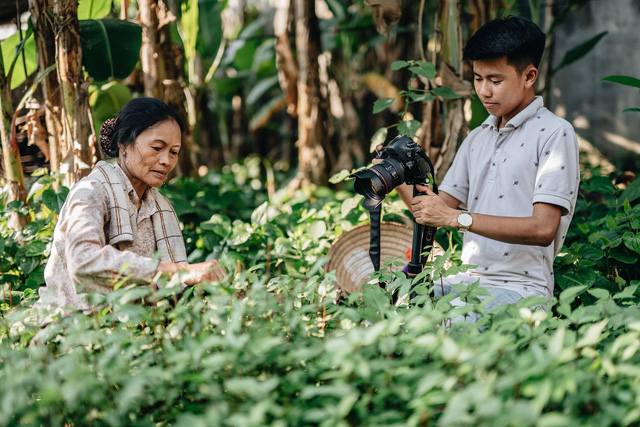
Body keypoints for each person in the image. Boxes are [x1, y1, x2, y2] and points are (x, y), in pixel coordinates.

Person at [385, 16, 580, 319]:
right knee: (385, 305)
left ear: (529, 76)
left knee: (446, 328)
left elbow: (543, 229)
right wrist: (395, 177)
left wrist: (457, 218)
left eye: (495, 80)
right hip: (464, 282)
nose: (484, 91)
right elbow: (436, 213)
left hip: (521, 290)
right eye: (478, 79)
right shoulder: (477, 138)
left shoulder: (555, 133)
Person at [32, 97, 226, 323]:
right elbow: (83, 261)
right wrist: (179, 272)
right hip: (68, 329)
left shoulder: (158, 207)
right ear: (123, 145)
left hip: (127, 334)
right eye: (157, 147)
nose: (166, 160)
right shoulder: (91, 192)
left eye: (174, 152)